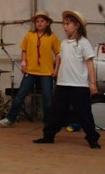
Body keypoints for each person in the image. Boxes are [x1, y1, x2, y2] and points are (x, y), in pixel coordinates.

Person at [34, 10, 101, 149]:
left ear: (76, 25)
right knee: (56, 112)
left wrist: (92, 83)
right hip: (63, 83)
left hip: (79, 85)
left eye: (67, 24)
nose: (65, 27)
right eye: (64, 24)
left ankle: (92, 139)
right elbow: (60, 59)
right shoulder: (63, 43)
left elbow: (89, 63)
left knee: (84, 114)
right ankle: (48, 136)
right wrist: (56, 71)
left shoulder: (84, 43)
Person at [0, 10, 60, 126]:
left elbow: (58, 53)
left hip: (46, 72)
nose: (39, 23)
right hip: (30, 70)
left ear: (47, 23)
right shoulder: (29, 35)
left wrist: (56, 69)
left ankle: (48, 122)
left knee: (48, 98)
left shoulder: (52, 37)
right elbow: (24, 50)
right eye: (37, 21)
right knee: (20, 95)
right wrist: (23, 64)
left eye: (42, 21)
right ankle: (10, 118)